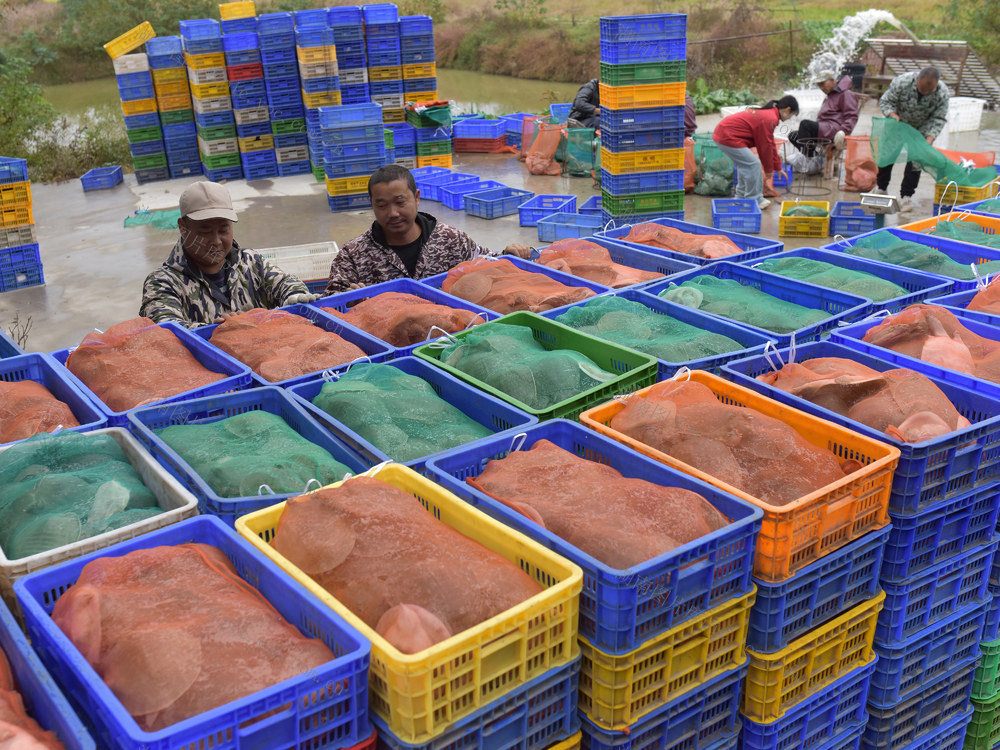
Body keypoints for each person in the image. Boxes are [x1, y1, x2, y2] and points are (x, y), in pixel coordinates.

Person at [325, 165, 532, 294]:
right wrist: (349, 297)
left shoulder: (451, 239)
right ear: (372, 204)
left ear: (416, 197)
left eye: (400, 202)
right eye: (382, 205)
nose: (393, 212)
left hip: (452, 333)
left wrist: (510, 254)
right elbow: (329, 303)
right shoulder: (353, 254)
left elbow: (488, 264)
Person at [140, 181, 319, 328]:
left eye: (224, 230)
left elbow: (286, 284)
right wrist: (223, 330)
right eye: (205, 231)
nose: (216, 241)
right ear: (183, 228)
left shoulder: (251, 262)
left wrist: (294, 296)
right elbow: (167, 328)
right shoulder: (162, 283)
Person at [874, 66, 950, 214]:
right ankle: (882, 188)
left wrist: (929, 138)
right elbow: (885, 101)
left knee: (915, 162)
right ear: (917, 80)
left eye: (930, 90)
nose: (926, 92)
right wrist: (891, 114)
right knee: (887, 156)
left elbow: (938, 118)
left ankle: (906, 196)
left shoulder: (942, 93)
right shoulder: (902, 82)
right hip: (897, 123)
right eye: (923, 89)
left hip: (921, 129)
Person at [712, 95, 799, 210]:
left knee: (746, 165)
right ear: (787, 110)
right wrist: (768, 169)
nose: (789, 119)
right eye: (791, 115)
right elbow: (765, 147)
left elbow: (770, 144)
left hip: (725, 135)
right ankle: (754, 199)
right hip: (728, 136)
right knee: (753, 164)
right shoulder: (769, 118)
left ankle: (740, 198)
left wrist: (777, 167)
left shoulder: (770, 115)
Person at [789, 70, 859, 157]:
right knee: (793, 135)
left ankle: (810, 159)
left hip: (834, 130)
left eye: (823, 84)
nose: (821, 88)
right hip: (824, 128)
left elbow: (852, 116)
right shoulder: (830, 95)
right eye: (819, 86)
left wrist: (843, 131)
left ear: (832, 80)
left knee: (805, 124)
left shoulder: (846, 94)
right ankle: (814, 156)